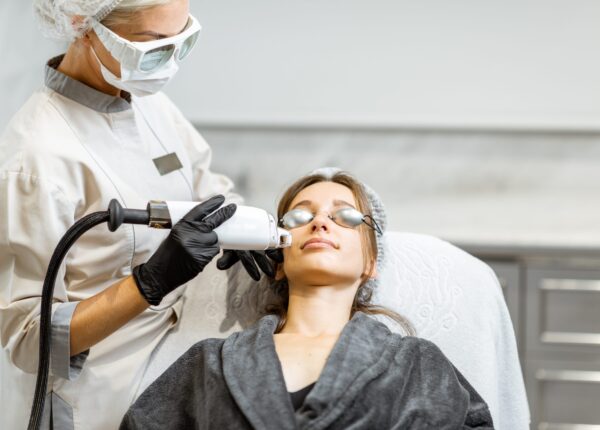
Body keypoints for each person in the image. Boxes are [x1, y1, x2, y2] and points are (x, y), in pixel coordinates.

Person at [0, 1, 273, 429]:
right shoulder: (35, 159)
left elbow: (209, 186)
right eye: (151, 46)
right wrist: (148, 283)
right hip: (102, 399)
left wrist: (244, 230)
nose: (170, 65)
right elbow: (27, 339)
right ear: (80, 25)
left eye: (183, 41)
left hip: (179, 369)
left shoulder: (150, 105)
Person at [120, 169, 495, 429]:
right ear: (278, 262)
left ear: (371, 263)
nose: (320, 223)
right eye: (299, 216)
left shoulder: (418, 363)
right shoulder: (209, 362)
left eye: (346, 217)